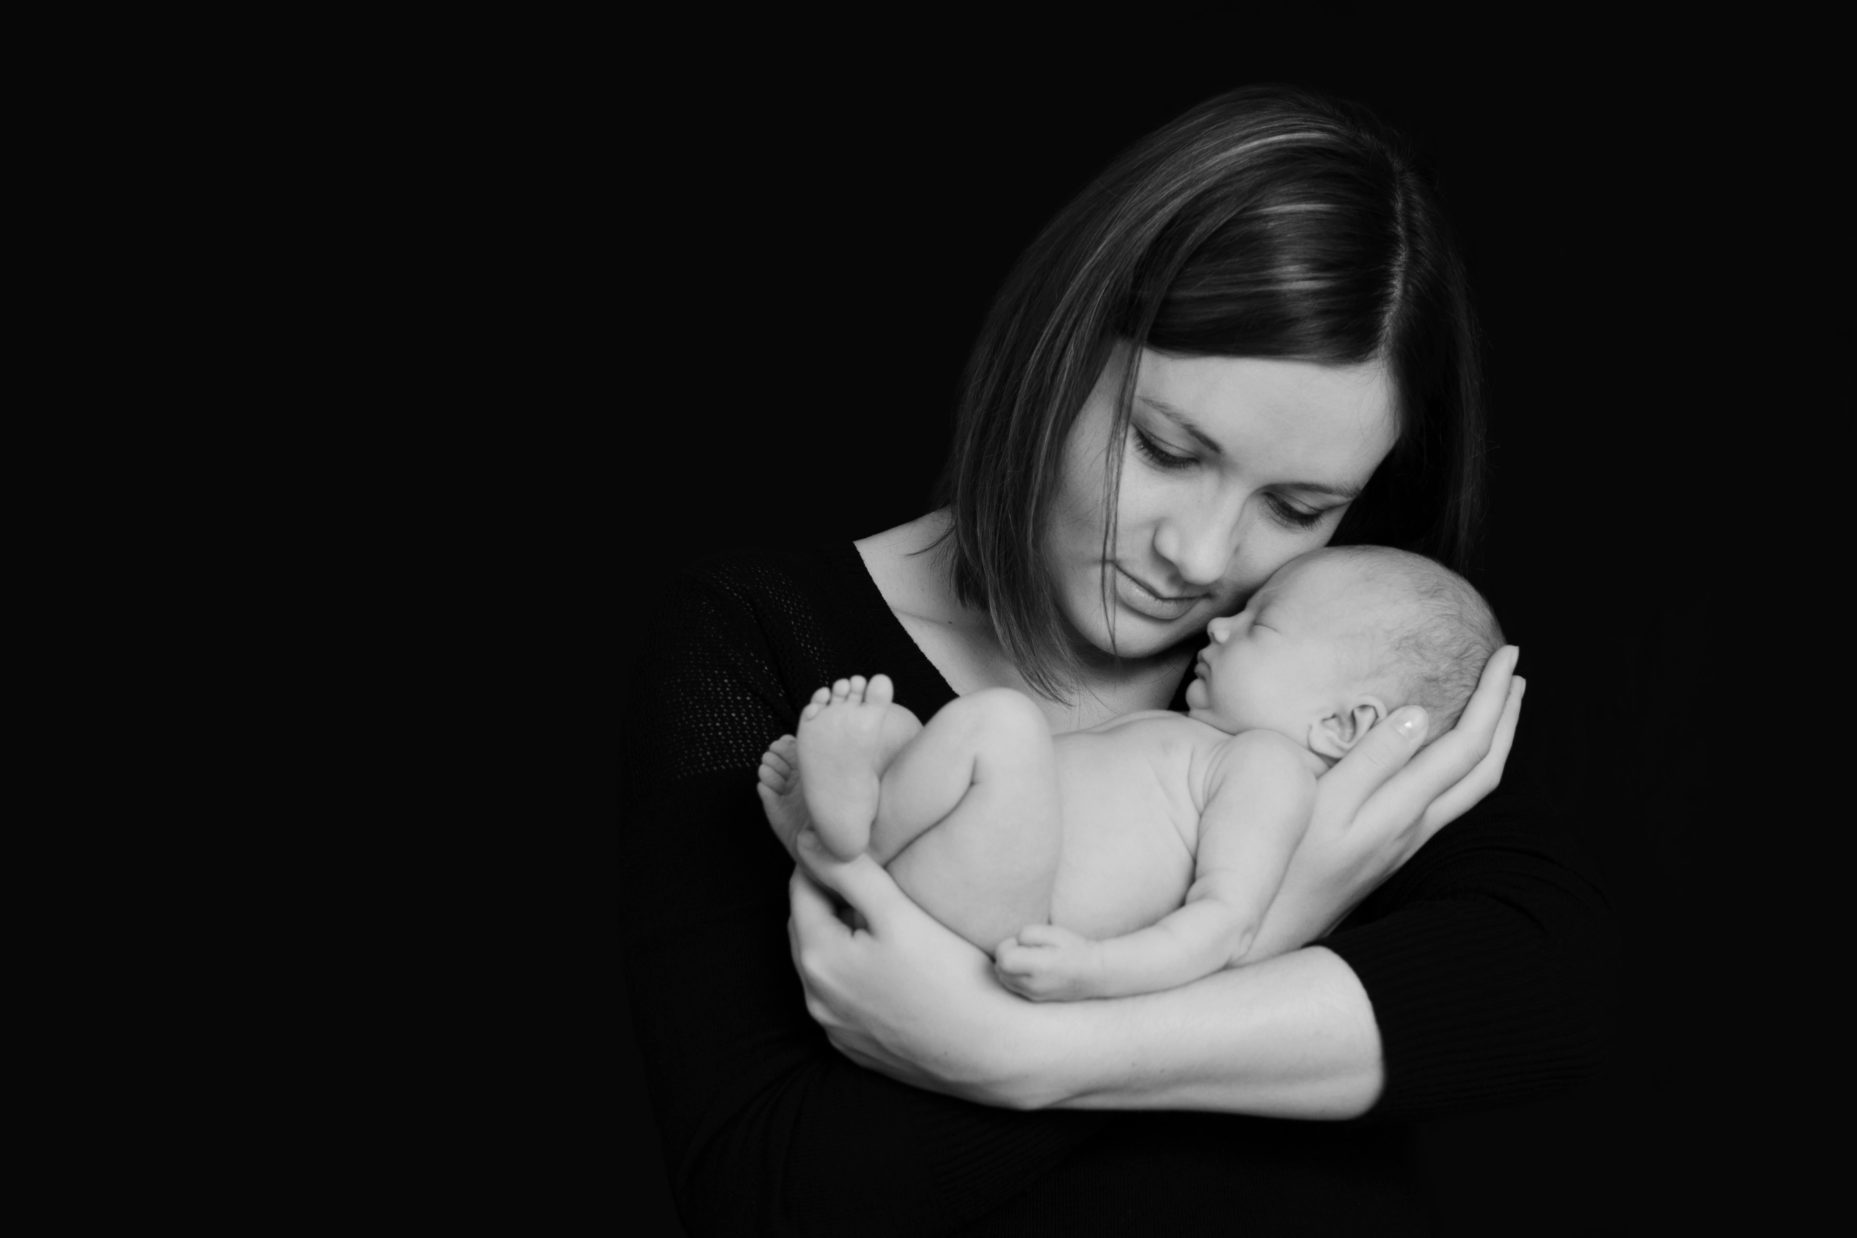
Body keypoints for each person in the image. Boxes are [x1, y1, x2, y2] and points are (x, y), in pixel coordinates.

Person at [622, 82, 1614, 1235]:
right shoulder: (758, 635)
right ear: (1058, 345)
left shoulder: (1340, 672)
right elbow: (772, 1191)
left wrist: (1022, 1049)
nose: (1201, 558)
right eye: (1165, 446)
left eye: (1297, 508)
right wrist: (1280, 928)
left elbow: (1551, 984)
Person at [754, 545, 1503, 1004]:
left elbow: (1222, 923)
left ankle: (849, 839)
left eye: (1258, 625)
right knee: (906, 731)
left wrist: (1096, 971)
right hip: (976, 875)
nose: (1219, 624)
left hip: (1019, 921)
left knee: (1001, 723)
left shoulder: (1265, 769)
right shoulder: (1190, 737)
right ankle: (837, 823)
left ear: (1343, 727)